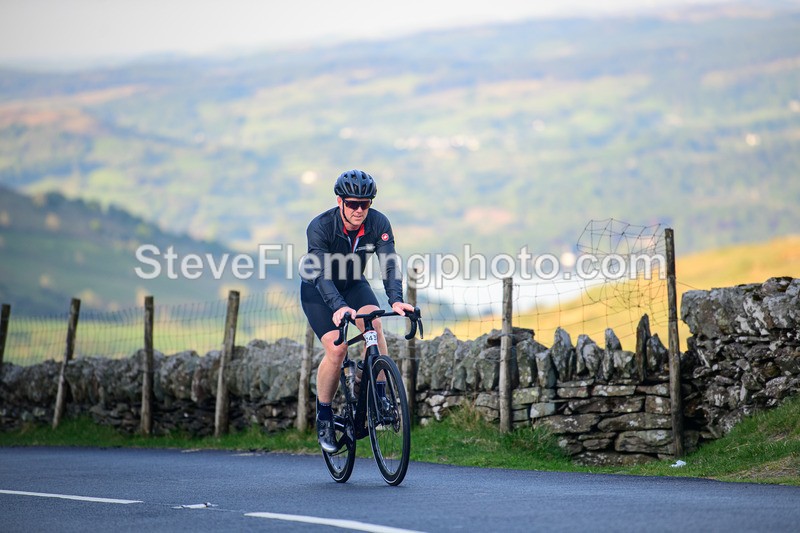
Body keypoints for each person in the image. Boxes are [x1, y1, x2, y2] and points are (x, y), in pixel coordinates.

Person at [300, 169, 415, 453]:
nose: (359, 210)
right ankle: (324, 416)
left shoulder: (378, 224)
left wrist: (396, 300)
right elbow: (322, 274)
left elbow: (389, 263)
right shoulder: (321, 226)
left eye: (365, 204)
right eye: (353, 204)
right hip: (319, 290)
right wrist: (338, 308)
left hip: (353, 284)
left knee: (374, 327)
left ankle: (378, 396)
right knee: (337, 351)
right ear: (340, 202)